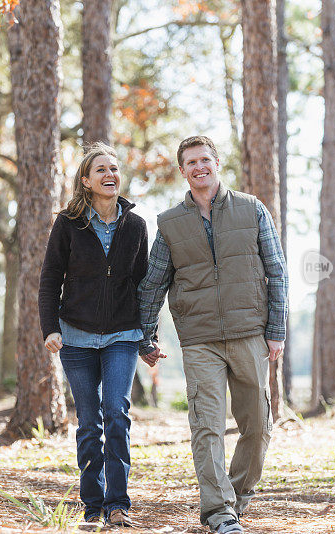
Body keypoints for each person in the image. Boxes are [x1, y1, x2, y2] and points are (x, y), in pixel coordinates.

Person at [137, 136, 288, 534]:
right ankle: (220, 513)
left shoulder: (252, 209)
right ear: (182, 170)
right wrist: (145, 334)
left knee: (257, 424)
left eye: (205, 159)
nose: (199, 166)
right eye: (191, 162)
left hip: (250, 333)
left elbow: (277, 271)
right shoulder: (170, 223)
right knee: (206, 426)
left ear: (217, 163)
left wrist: (276, 330)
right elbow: (154, 282)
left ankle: (235, 499)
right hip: (199, 338)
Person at [38, 143, 148, 527]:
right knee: (89, 422)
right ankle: (92, 505)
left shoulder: (135, 225)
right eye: (101, 169)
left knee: (116, 412)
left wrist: (146, 338)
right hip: (76, 337)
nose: (109, 175)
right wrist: (49, 327)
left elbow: (142, 284)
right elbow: (51, 277)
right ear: (86, 180)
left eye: (114, 168)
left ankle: (118, 503)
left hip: (122, 334)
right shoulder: (69, 223)